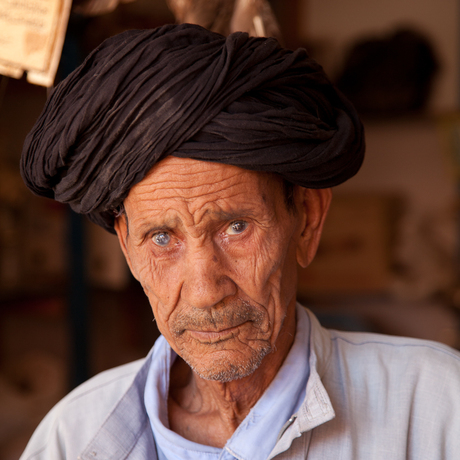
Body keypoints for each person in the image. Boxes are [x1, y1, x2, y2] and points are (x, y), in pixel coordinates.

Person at [20, 24, 460, 460]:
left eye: (236, 228)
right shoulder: (74, 438)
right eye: (161, 238)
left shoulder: (434, 406)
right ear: (126, 248)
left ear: (306, 219)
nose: (205, 290)